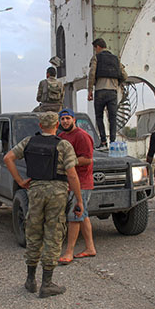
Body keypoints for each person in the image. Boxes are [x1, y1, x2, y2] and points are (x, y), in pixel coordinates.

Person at [3, 112, 83, 298]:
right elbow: (71, 174)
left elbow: (8, 158)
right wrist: (79, 199)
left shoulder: (29, 141)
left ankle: (30, 280)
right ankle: (47, 283)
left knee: (33, 232)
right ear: (57, 125)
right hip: (57, 192)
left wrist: (20, 181)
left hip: (36, 190)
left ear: (40, 125)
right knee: (53, 233)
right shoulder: (63, 145)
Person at [56, 108, 96, 265]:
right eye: (62, 119)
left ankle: (69, 252)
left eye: (68, 118)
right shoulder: (62, 136)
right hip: (70, 181)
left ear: (74, 120)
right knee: (83, 215)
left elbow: (88, 159)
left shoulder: (82, 136)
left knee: (75, 215)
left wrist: (68, 163)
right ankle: (90, 248)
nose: (65, 121)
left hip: (81, 183)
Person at [87, 38, 128, 149]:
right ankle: (113, 143)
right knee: (112, 118)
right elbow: (124, 75)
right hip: (113, 92)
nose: (95, 51)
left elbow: (92, 74)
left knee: (99, 117)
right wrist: (117, 83)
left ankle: (104, 142)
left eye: (95, 49)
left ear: (98, 47)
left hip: (100, 91)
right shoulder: (116, 59)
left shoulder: (96, 57)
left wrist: (90, 90)